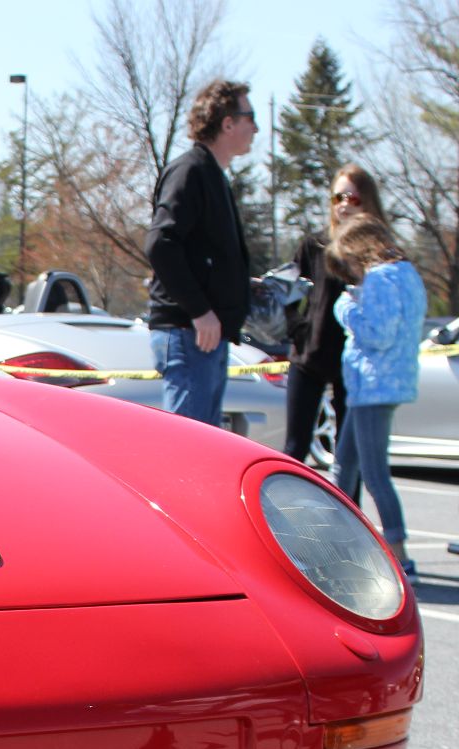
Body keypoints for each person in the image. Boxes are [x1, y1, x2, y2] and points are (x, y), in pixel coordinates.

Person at [144, 79, 258, 425]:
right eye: (250, 117)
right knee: (186, 448)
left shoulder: (213, 175)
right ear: (228, 123)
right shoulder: (190, 171)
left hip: (205, 337)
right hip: (189, 334)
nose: (255, 128)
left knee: (203, 445)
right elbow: (160, 244)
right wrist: (200, 311)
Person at [328, 215, 426, 577]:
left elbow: (378, 334)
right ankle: (335, 545)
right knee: (344, 467)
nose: (352, 272)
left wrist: (346, 308)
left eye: (351, 262)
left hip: (373, 384)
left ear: (361, 251)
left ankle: (400, 555)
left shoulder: (381, 278)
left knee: (373, 474)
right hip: (382, 384)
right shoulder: (407, 274)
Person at [283, 163, 388, 464]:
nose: (344, 205)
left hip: (353, 361)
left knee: (349, 454)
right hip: (309, 356)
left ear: (367, 201)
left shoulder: (379, 251)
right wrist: (299, 329)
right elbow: (286, 294)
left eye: (352, 198)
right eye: (338, 197)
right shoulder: (314, 245)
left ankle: (346, 497)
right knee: (295, 449)